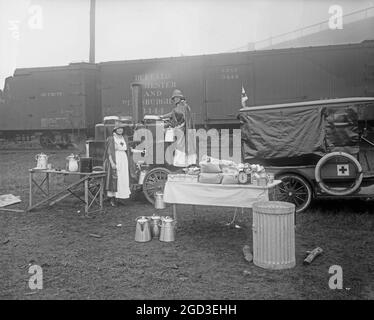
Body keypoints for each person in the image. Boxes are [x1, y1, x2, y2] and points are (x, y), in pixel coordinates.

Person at [161, 89, 196, 167]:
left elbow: (176, 114)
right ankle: (185, 162)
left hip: (183, 130)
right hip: (184, 129)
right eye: (174, 98)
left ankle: (181, 163)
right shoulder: (183, 105)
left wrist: (163, 117)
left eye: (176, 98)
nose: (174, 100)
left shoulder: (182, 106)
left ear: (180, 98)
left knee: (180, 146)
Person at [104, 124, 132, 206]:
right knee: (115, 178)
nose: (120, 130)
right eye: (118, 129)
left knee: (123, 179)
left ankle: (119, 198)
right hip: (116, 159)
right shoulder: (111, 139)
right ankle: (113, 199)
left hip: (123, 159)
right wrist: (112, 163)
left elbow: (127, 149)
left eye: (121, 129)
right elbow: (109, 152)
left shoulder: (124, 138)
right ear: (115, 130)